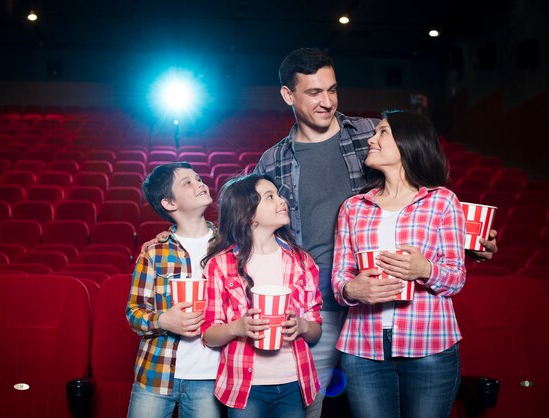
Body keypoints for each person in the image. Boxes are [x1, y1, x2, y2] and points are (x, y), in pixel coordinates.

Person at [253, 47, 498, 418]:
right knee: (306, 410)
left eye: (332, 90)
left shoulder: (371, 135)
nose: (327, 102)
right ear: (288, 95)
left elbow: (420, 192)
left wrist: (470, 240)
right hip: (312, 308)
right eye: (314, 93)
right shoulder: (273, 160)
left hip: (381, 309)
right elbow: (256, 228)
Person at [332, 110, 465, 418]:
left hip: (430, 344)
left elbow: (456, 278)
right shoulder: (353, 208)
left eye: (382, 133)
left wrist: (425, 270)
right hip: (363, 348)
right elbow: (340, 277)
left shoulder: (441, 201)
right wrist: (353, 289)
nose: (371, 139)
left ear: (407, 143)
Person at [201, 174, 323, 418]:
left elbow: (316, 329)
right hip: (245, 387)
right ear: (248, 214)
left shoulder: (302, 262)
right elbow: (208, 335)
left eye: (278, 194)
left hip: (293, 383)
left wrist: (302, 326)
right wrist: (238, 327)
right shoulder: (220, 265)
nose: (282, 201)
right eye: (270, 197)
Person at [125, 162, 222, 418]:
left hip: (210, 377)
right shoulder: (154, 251)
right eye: (187, 182)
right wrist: (164, 320)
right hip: (156, 374)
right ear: (169, 203)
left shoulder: (228, 245)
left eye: (198, 178)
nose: (199, 183)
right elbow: (133, 313)